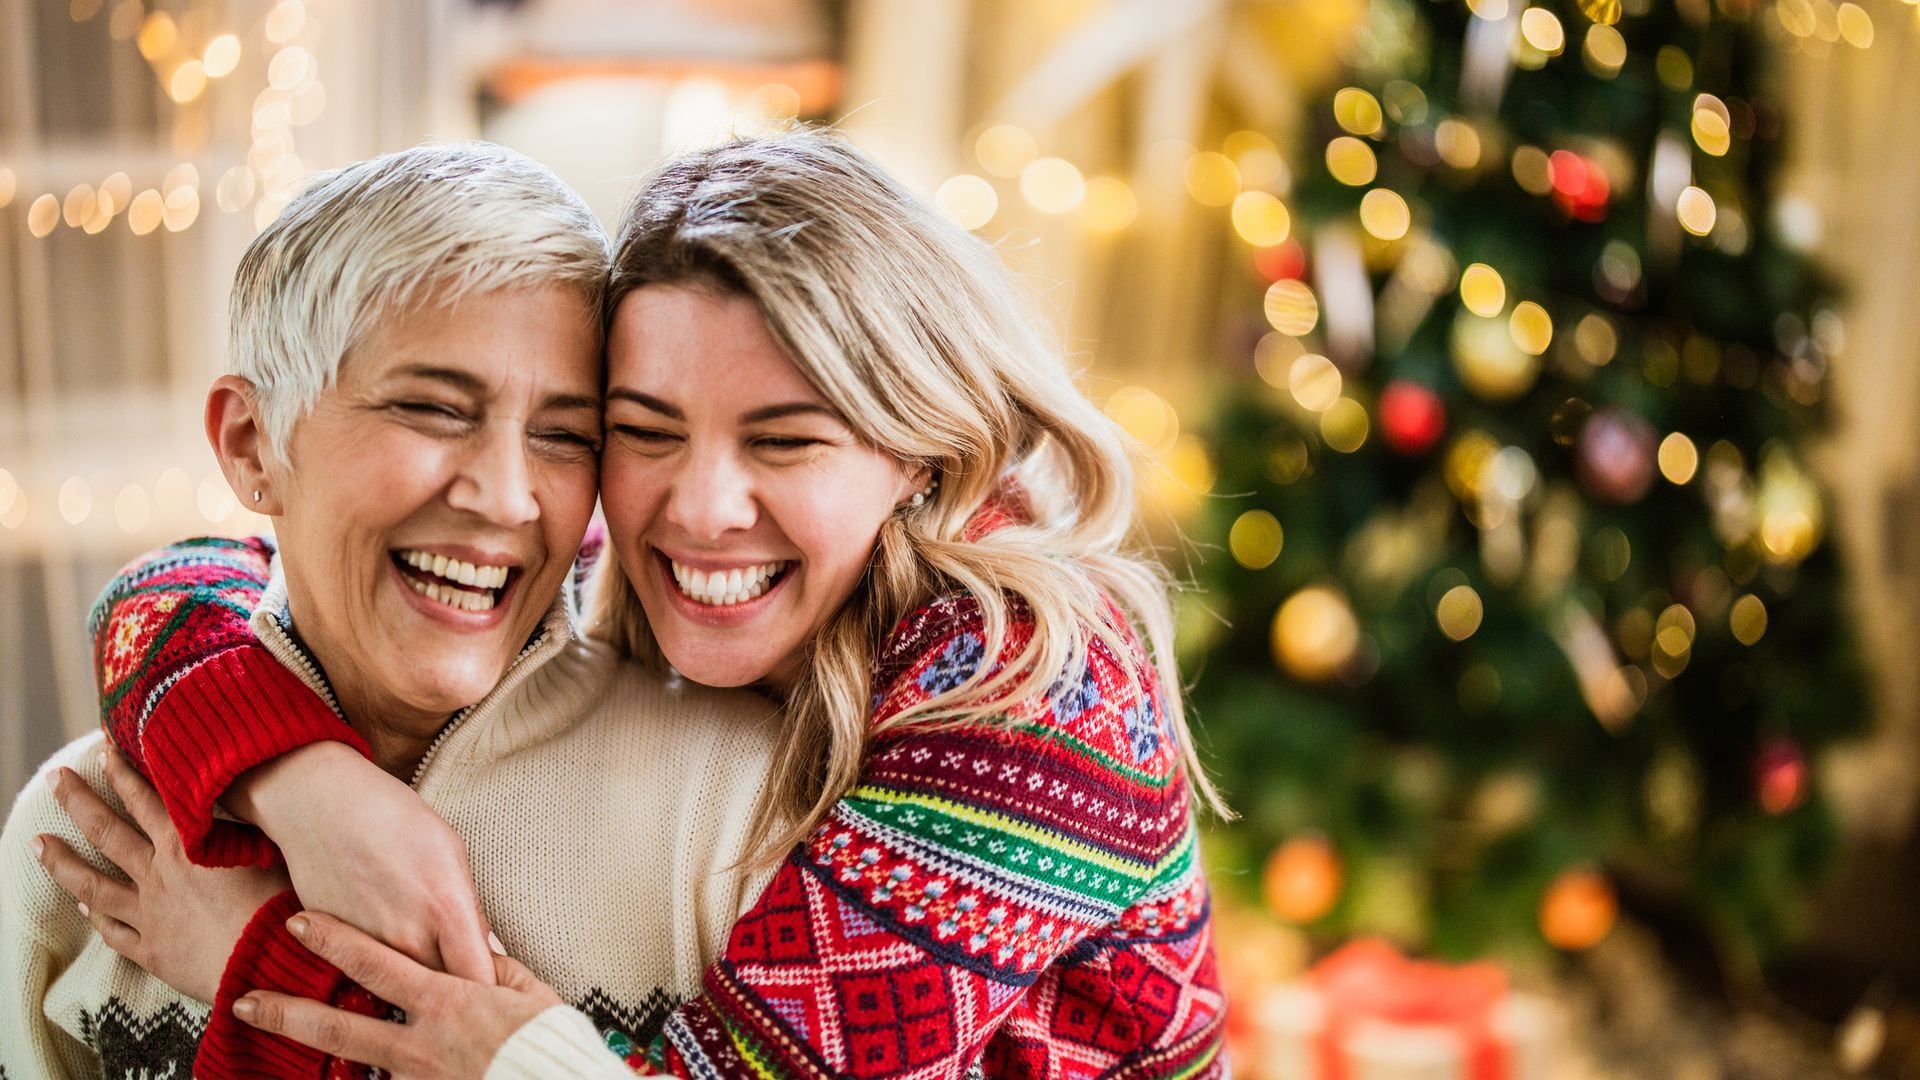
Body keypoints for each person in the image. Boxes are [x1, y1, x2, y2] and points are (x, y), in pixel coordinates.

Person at [53, 130, 1228, 1078]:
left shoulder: (1033, 703)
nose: (697, 508)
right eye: (639, 430)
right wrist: (306, 783)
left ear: (920, 455)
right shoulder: (616, 538)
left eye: (788, 439)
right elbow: (188, 582)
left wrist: (254, 967)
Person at [5, 140, 782, 1079]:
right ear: (253, 446)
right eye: (434, 410)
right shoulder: (92, 825)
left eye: (564, 435)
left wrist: (265, 971)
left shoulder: (740, 810)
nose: (506, 497)